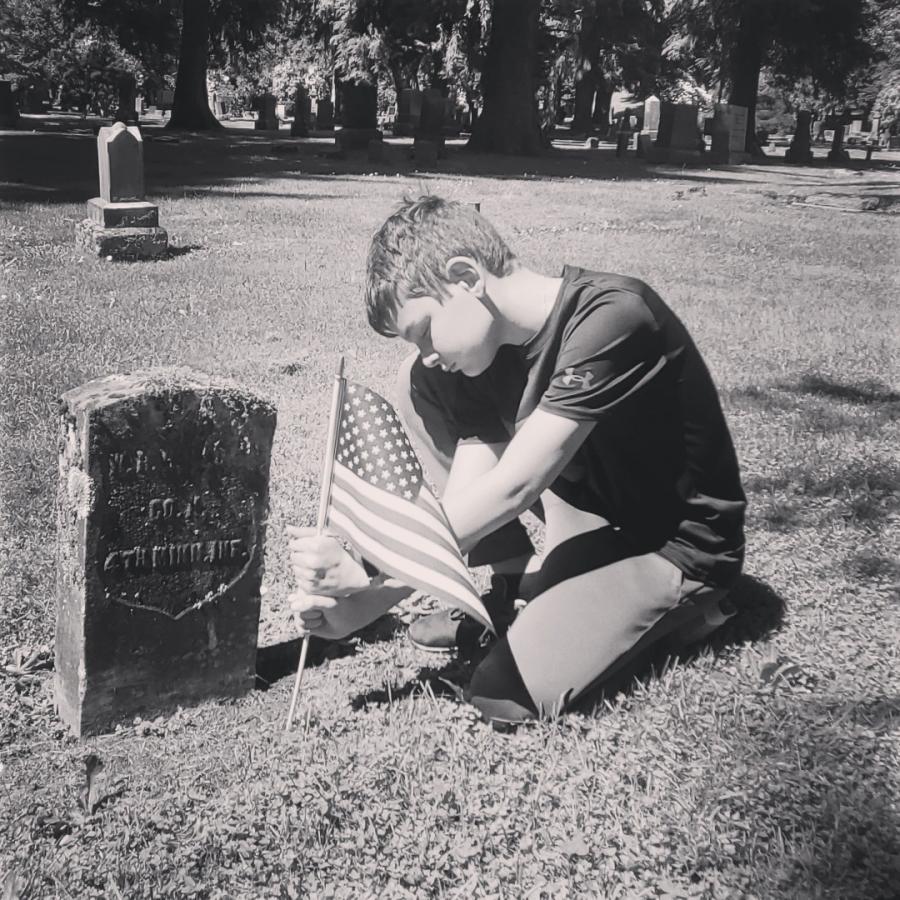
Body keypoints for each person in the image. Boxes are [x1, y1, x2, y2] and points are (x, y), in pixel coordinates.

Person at [288, 196, 746, 726]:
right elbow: (469, 501)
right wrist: (365, 604)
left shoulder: (614, 316)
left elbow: (515, 486)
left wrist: (369, 562)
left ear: (466, 277)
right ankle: (520, 590)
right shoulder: (482, 359)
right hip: (590, 520)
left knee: (501, 696)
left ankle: (692, 613)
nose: (427, 352)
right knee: (419, 382)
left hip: (674, 546)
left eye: (424, 330)